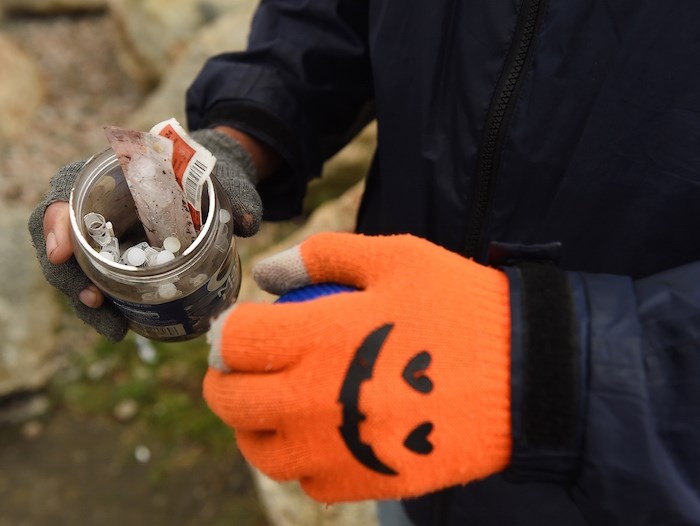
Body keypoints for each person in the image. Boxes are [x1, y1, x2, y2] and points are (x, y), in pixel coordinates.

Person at [29, 1, 700, 525]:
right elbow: (332, 13)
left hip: (636, 486)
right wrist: (242, 132)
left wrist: (553, 367)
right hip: (402, 450)